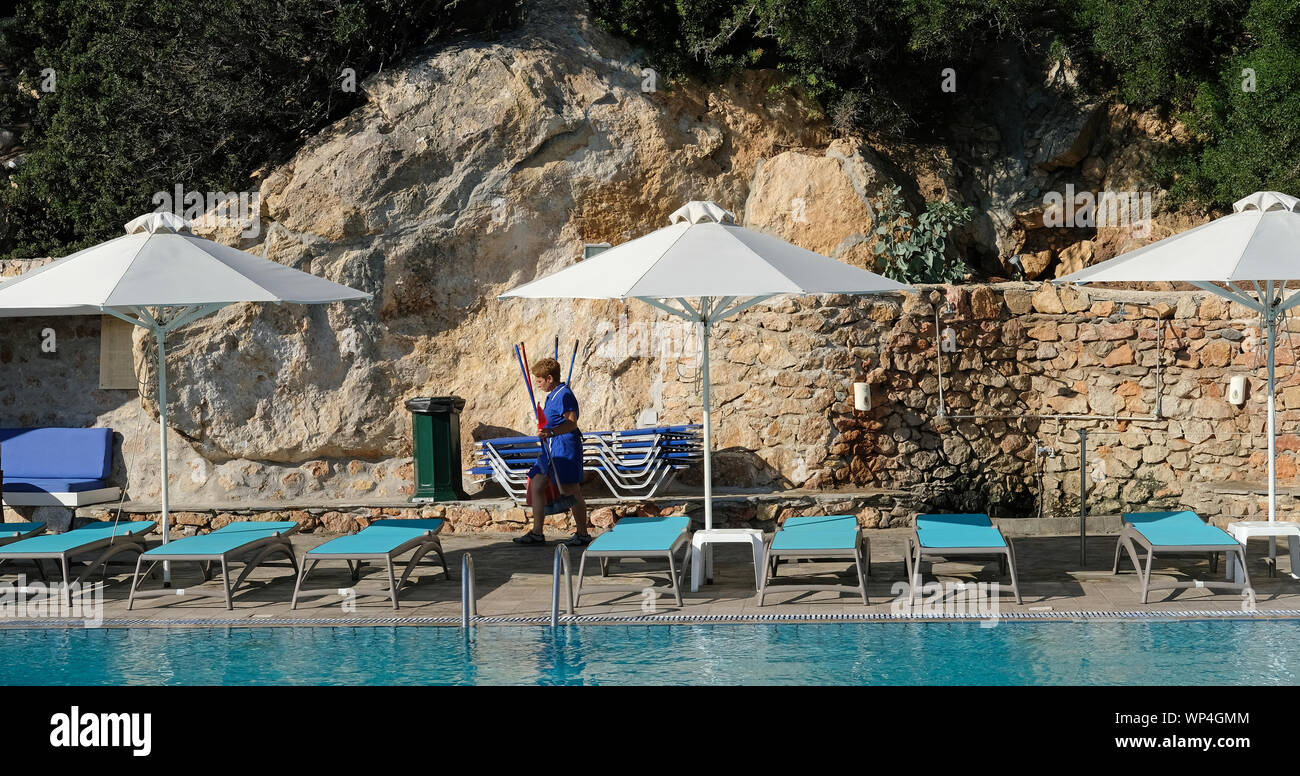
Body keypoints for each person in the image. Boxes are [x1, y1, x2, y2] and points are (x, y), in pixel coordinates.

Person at [513, 357, 590, 547]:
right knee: (537, 484)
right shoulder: (552, 395)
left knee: (572, 490)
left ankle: (583, 533)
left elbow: (572, 422)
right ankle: (537, 532)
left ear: (549, 378)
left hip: (564, 447)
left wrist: (552, 431)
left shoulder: (564, 395)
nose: (538, 384)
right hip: (550, 448)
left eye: (539, 381)